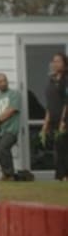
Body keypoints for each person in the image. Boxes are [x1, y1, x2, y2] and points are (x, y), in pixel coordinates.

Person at [0, 72, 22, 181]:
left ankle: (10, 175)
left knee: (3, 148)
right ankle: (5, 174)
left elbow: (11, 110)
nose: (3, 83)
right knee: (0, 153)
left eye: (4, 80)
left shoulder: (14, 94)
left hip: (10, 129)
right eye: (0, 82)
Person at [42, 52, 68, 181]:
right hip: (53, 120)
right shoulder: (51, 80)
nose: (55, 63)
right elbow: (50, 103)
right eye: (54, 61)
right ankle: (60, 176)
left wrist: (63, 121)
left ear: (64, 63)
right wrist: (46, 123)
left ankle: (64, 176)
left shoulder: (66, 79)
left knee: (63, 147)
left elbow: (66, 101)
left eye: (58, 61)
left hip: (64, 120)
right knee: (58, 148)